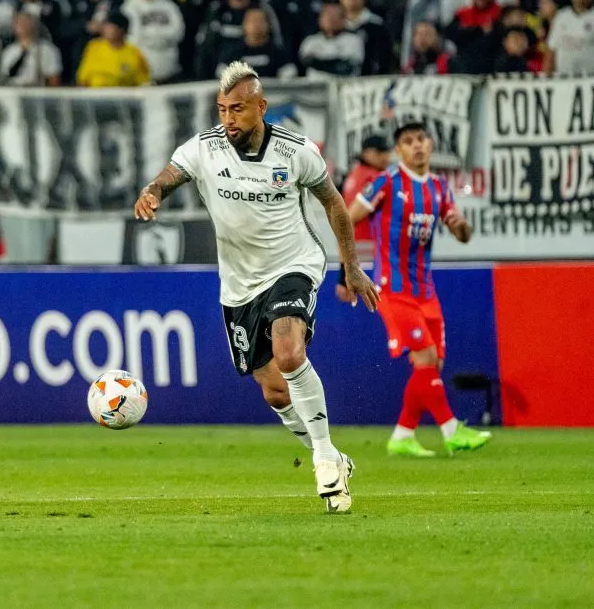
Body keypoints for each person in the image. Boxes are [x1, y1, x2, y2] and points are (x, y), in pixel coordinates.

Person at [133, 62, 378, 514]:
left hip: (293, 265)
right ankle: (332, 454)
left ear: (261, 107)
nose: (229, 119)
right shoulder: (205, 148)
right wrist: (152, 193)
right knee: (276, 392)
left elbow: (333, 203)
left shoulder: (296, 151)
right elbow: (169, 175)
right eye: (223, 109)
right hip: (239, 285)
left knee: (289, 353)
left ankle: (325, 461)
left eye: (238, 109)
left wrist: (351, 267)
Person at [346, 123, 493, 458]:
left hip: (426, 291)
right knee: (425, 358)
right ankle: (452, 431)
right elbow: (347, 217)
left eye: (421, 140)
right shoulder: (386, 182)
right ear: (398, 151)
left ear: (430, 144)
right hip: (392, 289)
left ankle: (403, 435)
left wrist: (461, 227)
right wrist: (348, 269)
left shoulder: (439, 188)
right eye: (408, 141)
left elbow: (462, 233)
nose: (417, 146)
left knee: (432, 366)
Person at [340, 134, 390, 269]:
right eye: (379, 152)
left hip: (350, 247)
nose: (385, 157)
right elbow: (351, 216)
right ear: (366, 153)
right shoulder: (374, 177)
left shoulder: (354, 174)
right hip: (369, 249)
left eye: (386, 152)